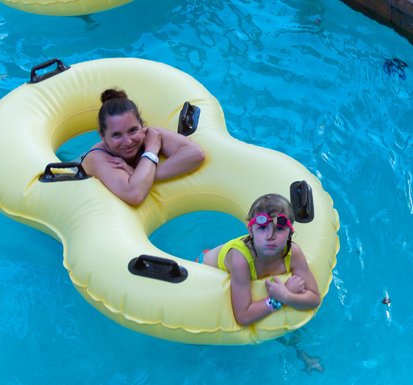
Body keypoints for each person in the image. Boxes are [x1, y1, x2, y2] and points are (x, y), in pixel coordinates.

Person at [200, 193, 321, 326]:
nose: (270, 236)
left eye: (280, 229)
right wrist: (278, 300)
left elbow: (314, 298)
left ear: (290, 234)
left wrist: (287, 296)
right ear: (250, 231)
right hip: (203, 266)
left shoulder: (293, 253)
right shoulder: (240, 260)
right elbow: (243, 317)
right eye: (262, 228)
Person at [80, 88, 205, 205]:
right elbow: (135, 195)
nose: (128, 141)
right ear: (102, 135)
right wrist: (151, 151)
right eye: (116, 135)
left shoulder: (150, 135)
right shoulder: (97, 158)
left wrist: (137, 174)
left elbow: (195, 154)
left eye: (133, 130)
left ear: (142, 125)